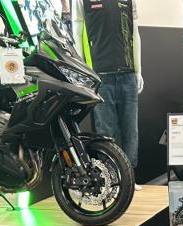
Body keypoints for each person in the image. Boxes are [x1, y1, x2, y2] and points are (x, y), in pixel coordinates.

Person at [70, 0, 143, 187]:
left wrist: (138, 70)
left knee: (131, 131)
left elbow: (134, 33)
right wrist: (83, 71)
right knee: (106, 131)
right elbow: (77, 30)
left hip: (127, 73)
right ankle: (112, 178)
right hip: (100, 75)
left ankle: (129, 179)